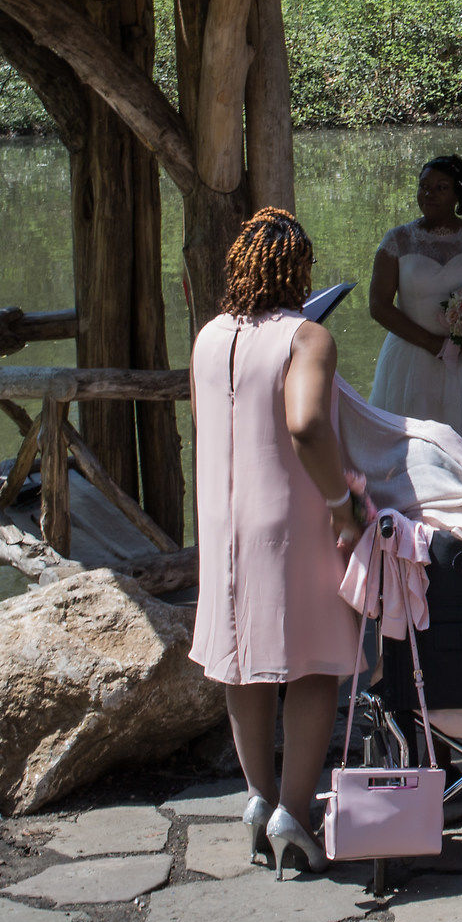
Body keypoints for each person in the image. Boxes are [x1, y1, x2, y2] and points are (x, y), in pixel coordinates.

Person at [189, 208, 363, 879]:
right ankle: (296, 812)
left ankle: (259, 802)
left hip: (224, 522)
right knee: (314, 664)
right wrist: (343, 508)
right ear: (299, 273)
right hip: (291, 520)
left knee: (244, 663)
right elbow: (307, 426)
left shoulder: (208, 338)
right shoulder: (307, 337)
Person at [367, 153, 462, 462]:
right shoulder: (397, 239)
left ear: (458, 193)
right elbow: (379, 306)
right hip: (410, 358)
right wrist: (434, 345)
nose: (429, 194)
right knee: (407, 451)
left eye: (440, 187)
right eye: (424, 186)